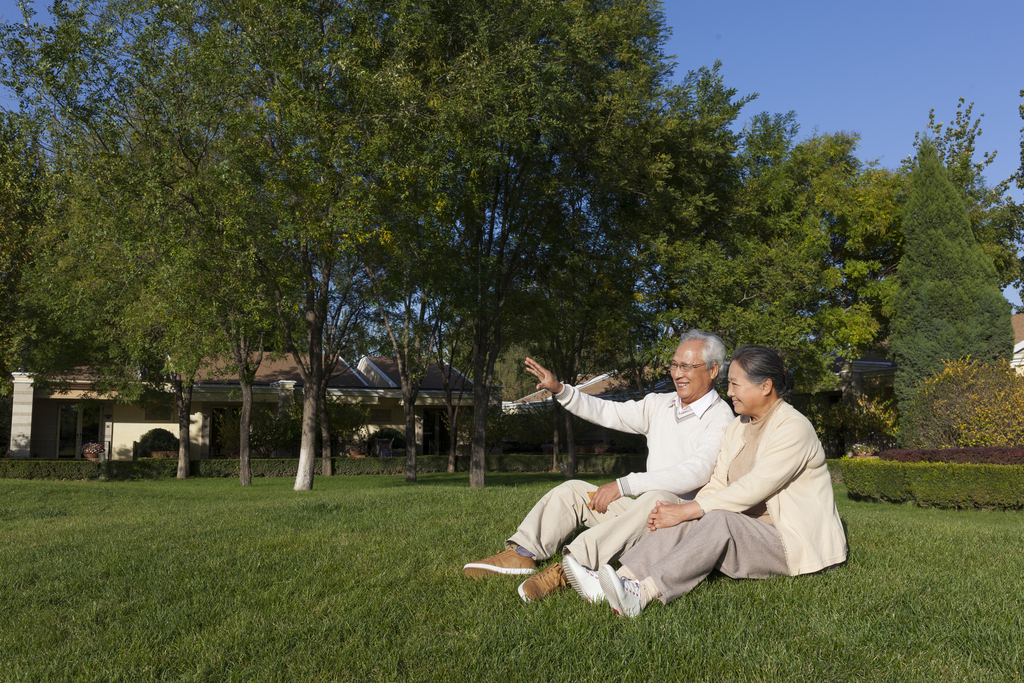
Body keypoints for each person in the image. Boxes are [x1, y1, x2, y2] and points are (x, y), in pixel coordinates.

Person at [562, 344, 848, 617]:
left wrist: (689, 509)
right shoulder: (738, 427)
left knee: (715, 518)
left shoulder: (793, 427)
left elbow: (755, 487)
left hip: (791, 540)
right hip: (746, 531)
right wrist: (680, 511)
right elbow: (718, 484)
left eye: (736, 385)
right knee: (691, 514)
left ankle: (643, 593)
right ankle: (616, 582)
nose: (729, 392)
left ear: (766, 386)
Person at [462, 330, 735, 603]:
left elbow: (696, 472)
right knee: (573, 491)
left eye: (687, 366)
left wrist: (624, 485)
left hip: (674, 519)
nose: (677, 373)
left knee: (659, 497)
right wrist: (561, 390)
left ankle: (569, 568)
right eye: (675, 365)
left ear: (713, 370)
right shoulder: (660, 404)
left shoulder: (721, 417)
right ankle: (521, 554)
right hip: (641, 509)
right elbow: (609, 412)